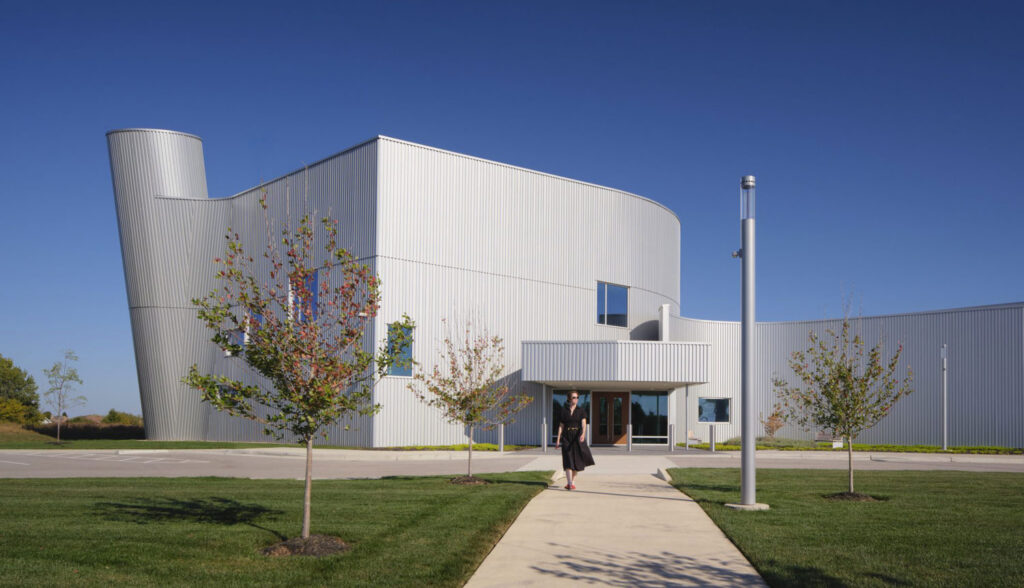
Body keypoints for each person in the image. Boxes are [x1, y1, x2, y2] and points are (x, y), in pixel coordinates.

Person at [555, 391, 595, 490]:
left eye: (577, 397)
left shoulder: (581, 410)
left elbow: (584, 424)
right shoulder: (564, 411)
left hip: (577, 436)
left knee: (576, 460)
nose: (576, 399)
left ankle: (572, 482)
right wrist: (558, 439)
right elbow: (561, 426)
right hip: (566, 436)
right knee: (568, 459)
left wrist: (583, 434)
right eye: (574, 397)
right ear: (569, 398)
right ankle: (569, 483)